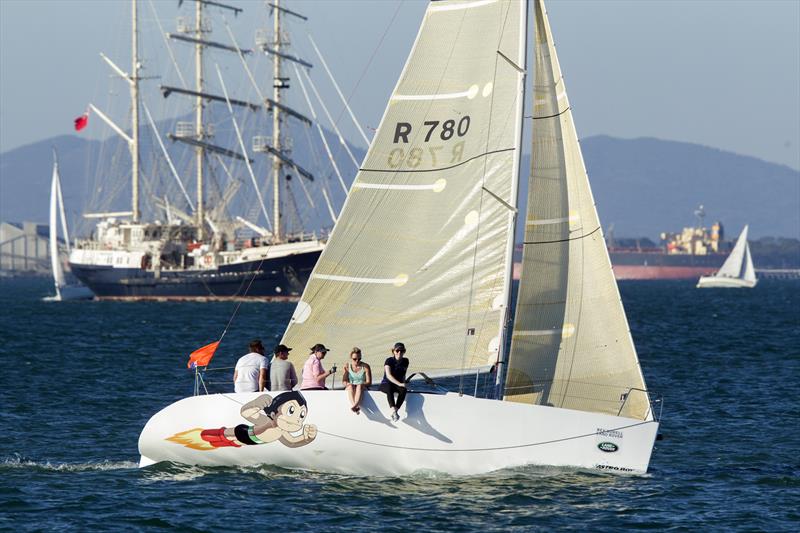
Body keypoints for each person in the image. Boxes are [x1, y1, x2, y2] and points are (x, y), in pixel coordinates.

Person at [380, 342, 409, 422]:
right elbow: (388, 375)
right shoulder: (389, 361)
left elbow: (403, 374)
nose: (399, 352)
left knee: (403, 390)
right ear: (393, 351)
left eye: (402, 351)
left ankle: (396, 410)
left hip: (396, 385)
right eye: (397, 350)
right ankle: (393, 411)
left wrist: (404, 383)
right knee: (389, 387)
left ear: (404, 351)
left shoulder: (406, 361)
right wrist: (399, 384)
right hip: (385, 384)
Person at [342, 347, 372, 414]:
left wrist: (360, 384)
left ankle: (355, 406)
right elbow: (344, 381)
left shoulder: (366, 366)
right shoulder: (347, 366)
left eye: (359, 359)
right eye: (354, 359)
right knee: (350, 386)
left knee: (359, 386)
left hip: (361, 387)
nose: (357, 361)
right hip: (351, 387)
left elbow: (369, 382)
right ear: (351, 357)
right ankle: (355, 406)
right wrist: (348, 384)